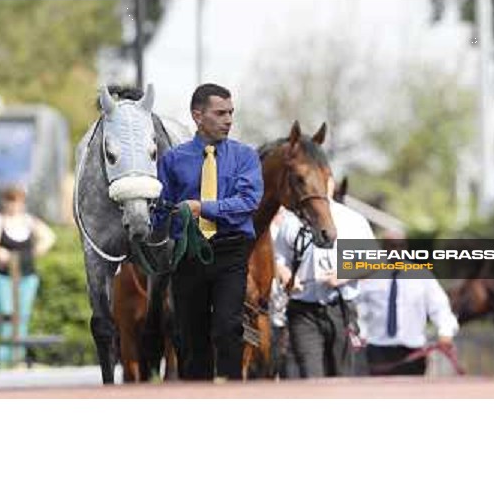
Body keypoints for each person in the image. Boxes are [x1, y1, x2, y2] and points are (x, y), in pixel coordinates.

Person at [154, 83, 263, 381]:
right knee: (190, 336)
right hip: (188, 253)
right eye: (220, 113)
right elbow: (160, 211)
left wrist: (203, 208)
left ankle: (230, 392)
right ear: (198, 116)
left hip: (231, 252)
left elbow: (248, 202)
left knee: (228, 327)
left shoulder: (245, 157)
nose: (228, 120)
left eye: (231, 113)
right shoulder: (172, 160)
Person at [273, 176, 374, 378]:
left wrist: (343, 275)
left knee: (342, 375)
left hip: (341, 308)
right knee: (311, 376)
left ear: (331, 183)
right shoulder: (292, 220)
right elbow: (278, 259)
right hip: (303, 310)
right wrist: (287, 277)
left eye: (322, 181)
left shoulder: (352, 220)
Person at [356, 229, 459, 376]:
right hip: (376, 351)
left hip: (413, 352)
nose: (396, 250)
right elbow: (355, 308)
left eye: (400, 245)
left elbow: (440, 307)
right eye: (391, 245)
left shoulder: (422, 276)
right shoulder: (368, 276)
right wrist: (360, 334)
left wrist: (445, 332)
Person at [0, 185, 56, 366]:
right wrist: (1, 253)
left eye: (18, 201)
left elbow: (49, 237)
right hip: (3, 278)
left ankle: (17, 359)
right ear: (5, 201)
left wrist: (34, 252)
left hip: (26, 277)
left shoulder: (28, 221)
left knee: (22, 318)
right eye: (11, 200)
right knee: (6, 318)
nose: (14, 205)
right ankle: (2, 362)